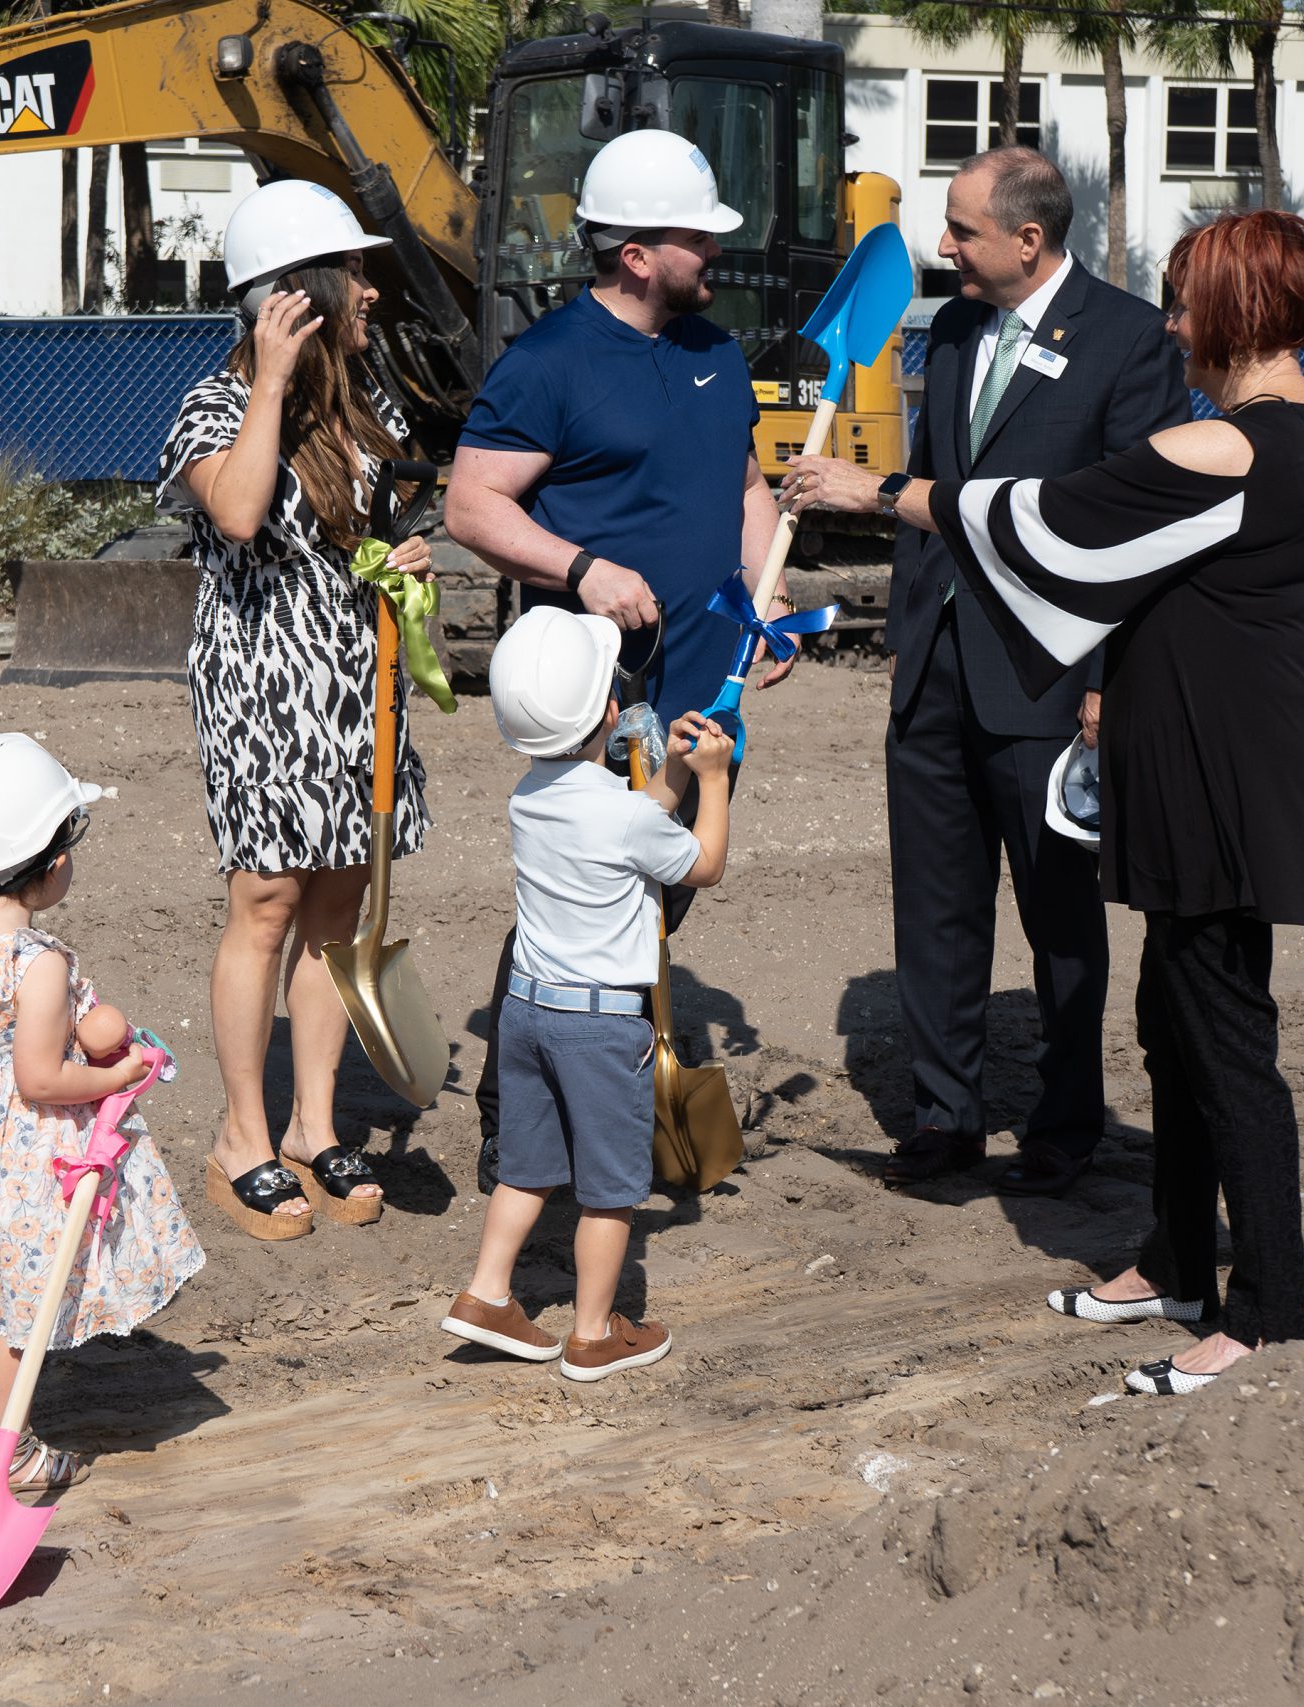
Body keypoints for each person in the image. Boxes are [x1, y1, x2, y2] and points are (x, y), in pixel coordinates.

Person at [788, 209, 1304, 1394]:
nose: (1172, 324)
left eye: (1189, 301)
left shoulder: (1233, 446)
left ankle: (1264, 1315)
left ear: (1240, 312)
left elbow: (1044, 519)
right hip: (1209, 777)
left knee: (1225, 1046)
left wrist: (879, 489)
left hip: (1222, 794)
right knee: (1170, 1023)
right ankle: (1173, 1260)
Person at [788, 146, 1191, 1200]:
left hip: (1050, 680)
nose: (942, 246)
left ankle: (1064, 1124)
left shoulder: (1128, 342)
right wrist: (906, 641)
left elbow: (1134, 530)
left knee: (1062, 919)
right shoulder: (960, 328)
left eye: (961, 230)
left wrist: (1110, 677)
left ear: (1027, 237)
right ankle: (942, 1115)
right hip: (935, 672)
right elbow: (941, 490)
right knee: (933, 906)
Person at [443, 128, 787, 1186]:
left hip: (704, 691)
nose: (715, 254)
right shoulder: (547, 363)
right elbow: (471, 505)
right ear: (635, 253)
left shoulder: (715, 353)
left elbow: (740, 492)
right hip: (607, 705)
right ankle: (518, 1111)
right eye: (697, 237)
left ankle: (614, 1087)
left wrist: (766, 608)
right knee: (577, 909)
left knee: (663, 893)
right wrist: (582, 568)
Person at [158, 179, 431, 1239]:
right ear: (297, 296)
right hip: (264, 692)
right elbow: (234, 513)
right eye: (353, 273)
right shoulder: (214, 405)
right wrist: (270, 379)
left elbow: (386, 515)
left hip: (359, 686)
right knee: (265, 904)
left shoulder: (372, 404)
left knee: (339, 907)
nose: (371, 290)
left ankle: (314, 1127)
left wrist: (401, 551)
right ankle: (241, 1137)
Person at [441, 607, 735, 1381]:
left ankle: (485, 1292)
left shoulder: (530, 795)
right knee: (609, 1189)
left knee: (527, 1168)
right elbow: (701, 865)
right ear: (610, 709)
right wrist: (710, 780)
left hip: (527, 1013)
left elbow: (634, 818)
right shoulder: (619, 813)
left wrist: (666, 773)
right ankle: (594, 1333)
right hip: (600, 1029)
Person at [0, 733, 207, 1490]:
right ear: (50, 862)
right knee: (24, 1314)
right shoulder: (38, 962)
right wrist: (120, 1076)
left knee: (12, 1290)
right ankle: (11, 1453)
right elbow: (40, 1078)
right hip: (18, 1162)